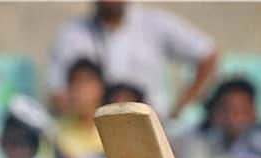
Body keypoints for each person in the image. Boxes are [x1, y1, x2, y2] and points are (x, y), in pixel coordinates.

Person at [46, 1, 217, 119]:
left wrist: (181, 106)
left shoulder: (155, 23)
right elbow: (57, 92)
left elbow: (207, 53)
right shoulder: (71, 33)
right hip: (97, 131)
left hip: (154, 126)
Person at [177, 78, 260, 158]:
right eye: (227, 110)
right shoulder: (199, 142)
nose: (233, 118)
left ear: (253, 113)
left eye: (240, 111)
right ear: (216, 113)